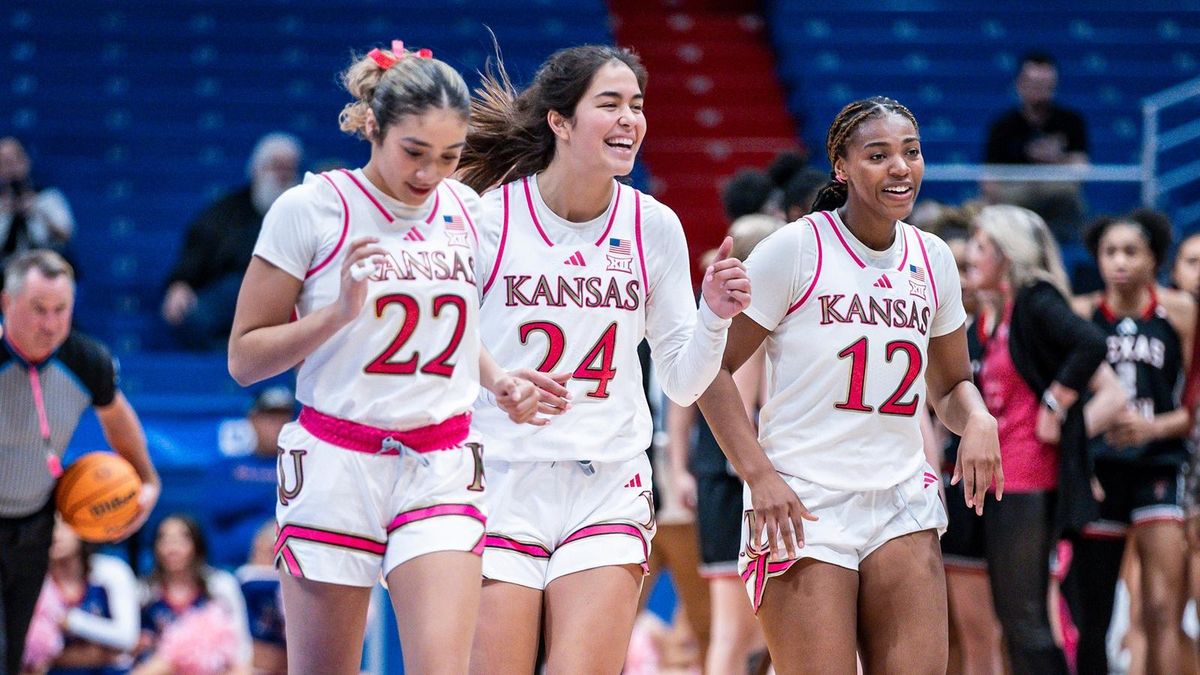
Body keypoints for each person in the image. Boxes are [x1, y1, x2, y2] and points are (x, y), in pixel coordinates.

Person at [226, 40, 541, 674]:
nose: (429, 174)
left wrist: (498, 378)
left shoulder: (465, 208)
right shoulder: (311, 209)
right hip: (338, 461)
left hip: (441, 462)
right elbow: (244, 358)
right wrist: (336, 315)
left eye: (449, 158)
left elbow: (453, 330)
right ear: (373, 126)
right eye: (415, 153)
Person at [456, 44, 750, 674]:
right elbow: (445, 341)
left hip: (608, 480)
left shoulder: (654, 225)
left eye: (637, 107)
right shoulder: (489, 219)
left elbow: (681, 376)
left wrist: (714, 317)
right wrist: (499, 381)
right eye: (610, 104)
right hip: (499, 476)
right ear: (560, 121)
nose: (630, 120)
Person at [691, 96, 1000, 673]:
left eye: (911, 152)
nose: (900, 168)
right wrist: (759, 475)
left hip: (901, 498)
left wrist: (979, 419)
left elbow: (952, 386)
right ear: (842, 166)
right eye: (878, 155)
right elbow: (710, 367)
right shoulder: (795, 248)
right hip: (803, 501)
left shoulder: (932, 259)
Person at [967, 204, 1123, 674]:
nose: (970, 256)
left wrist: (1056, 402)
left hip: (1028, 477)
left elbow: (1092, 342)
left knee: (1027, 617)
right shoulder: (1003, 311)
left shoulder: (1036, 299)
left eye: (980, 246)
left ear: (1007, 253)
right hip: (1006, 479)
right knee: (1016, 618)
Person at [1, 250, 159, 675]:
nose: (49, 324)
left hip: (37, 526)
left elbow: (121, 426)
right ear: (6, 303)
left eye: (60, 310)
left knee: (12, 655)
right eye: (37, 310)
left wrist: (147, 483)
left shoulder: (86, 360)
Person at [1071, 209, 1195, 675]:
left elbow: (1192, 404)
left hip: (1158, 465)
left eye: (1130, 252)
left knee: (1162, 608)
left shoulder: (1180, 311)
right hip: (1100, 470)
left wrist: (1153, 428)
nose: (1119, 261)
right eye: (1109, 252)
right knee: (1093, 615)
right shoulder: (1081, 312)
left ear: (1153, 260)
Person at [667, 216, 779, 675]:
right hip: (739, 482)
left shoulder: (712, 312)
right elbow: (745, 400)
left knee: (741, 635)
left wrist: (679, 466)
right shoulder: (743, 317)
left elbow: (680, 398)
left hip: (719, 475)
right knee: (738, 634)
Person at [927, 207, 1007, 675]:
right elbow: (927, 414)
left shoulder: (1000, 325)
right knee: (951, 630)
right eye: (953, 267)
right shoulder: (922, 328)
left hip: (1002, 486)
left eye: (966, 265)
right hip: (943, 485)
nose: (962, 277)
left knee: (1000, 628)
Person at [161, 132, 303, 350]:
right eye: (276, 166)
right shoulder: (225, 211)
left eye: (289, 168)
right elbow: (197, 252)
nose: (283, 176)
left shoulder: (304, 213)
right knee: (194, 316)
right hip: (233, 291)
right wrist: (180, 284)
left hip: (287, 290)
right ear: (257, 169)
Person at [983, 52, 1089, 242]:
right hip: (1014, 194)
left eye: (1046, 85)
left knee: (1070, 197)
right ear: (1020, 84)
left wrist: (1055, 158)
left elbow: (1081, 170)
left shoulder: (1071, 121)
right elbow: (989, 180)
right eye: (1034, 84)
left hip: (1057, 193)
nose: (1040, 90)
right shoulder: (1002, 126)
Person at [133, 515, 250, 675]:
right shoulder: (143, 591)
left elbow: (241, 649)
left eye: (181, 540)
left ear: (197, 545)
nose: (172, 548)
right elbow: (127, 651)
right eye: (165, 540)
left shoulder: (221, 585)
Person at [29, 519, 140, 675]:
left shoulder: (113, 571)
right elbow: (28, 652)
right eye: (49, 526)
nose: (56, 534)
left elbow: (127, 637)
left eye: (65, 526)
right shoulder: (31, 579)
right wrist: (96, 654)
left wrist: (70, 621)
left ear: (83, 530)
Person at [202, 386, 296, 568]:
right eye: (269, 417)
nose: (277, 425)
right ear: (252, 419)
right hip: (232, 569)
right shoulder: (227, 466)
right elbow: (216, 506)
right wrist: (274, 494)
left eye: (283, 418)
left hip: (288, 570)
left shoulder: (299, 468)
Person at [0, 138, 75, 267]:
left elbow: (66, 235)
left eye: (14, 160)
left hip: (45, 267)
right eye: (4, 162)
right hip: (5, 269)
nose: (11, 168)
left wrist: (37, 211)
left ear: (25, 161)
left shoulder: (48, 197)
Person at [236, 522, 285, 675]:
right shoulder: (242, 580)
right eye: (257, 552)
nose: (262, 560)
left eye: (270, 553)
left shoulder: (295, 584)